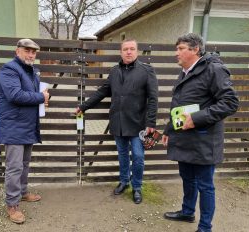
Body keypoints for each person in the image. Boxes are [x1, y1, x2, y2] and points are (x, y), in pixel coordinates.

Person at [161, 33, 239, 232]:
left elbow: (230, 103)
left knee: (205, 186)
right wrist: (168, 130)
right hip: (184, 139)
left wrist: (196, 119)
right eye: (177, 48)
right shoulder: (185, 72)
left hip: (204, 140)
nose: (176, 53)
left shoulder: (214, 70)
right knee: (187, 178)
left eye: (180, 49)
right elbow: (178, 106)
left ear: (195, 49)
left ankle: (205, 227)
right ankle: (187, 212)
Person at [75, 39, 158, 204]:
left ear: (137, 51)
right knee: (122, 155)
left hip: (138, 124)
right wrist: (83, 107)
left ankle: (137, 187)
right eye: (126, 49)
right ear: (121, 52)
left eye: (132, 49)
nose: (129, 52)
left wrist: (151, 123)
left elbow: (153, 99)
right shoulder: (114, 71)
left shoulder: (147, 71)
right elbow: (101, 92)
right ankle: (124, 181)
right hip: (118, 122)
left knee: (138, 156)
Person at [0, 38, 50, 224]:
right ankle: (12, 204)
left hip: (27, 125)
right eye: (27, 50)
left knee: (25, 163)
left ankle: (23, 192)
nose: (31, 54)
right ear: (17, 51)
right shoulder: (9, 69)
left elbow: (34, 96)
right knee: (14, 166)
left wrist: (42, 99)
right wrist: (40, 97)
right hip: (13, 126)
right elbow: (15, 95)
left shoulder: (32, 72)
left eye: (33, 52)